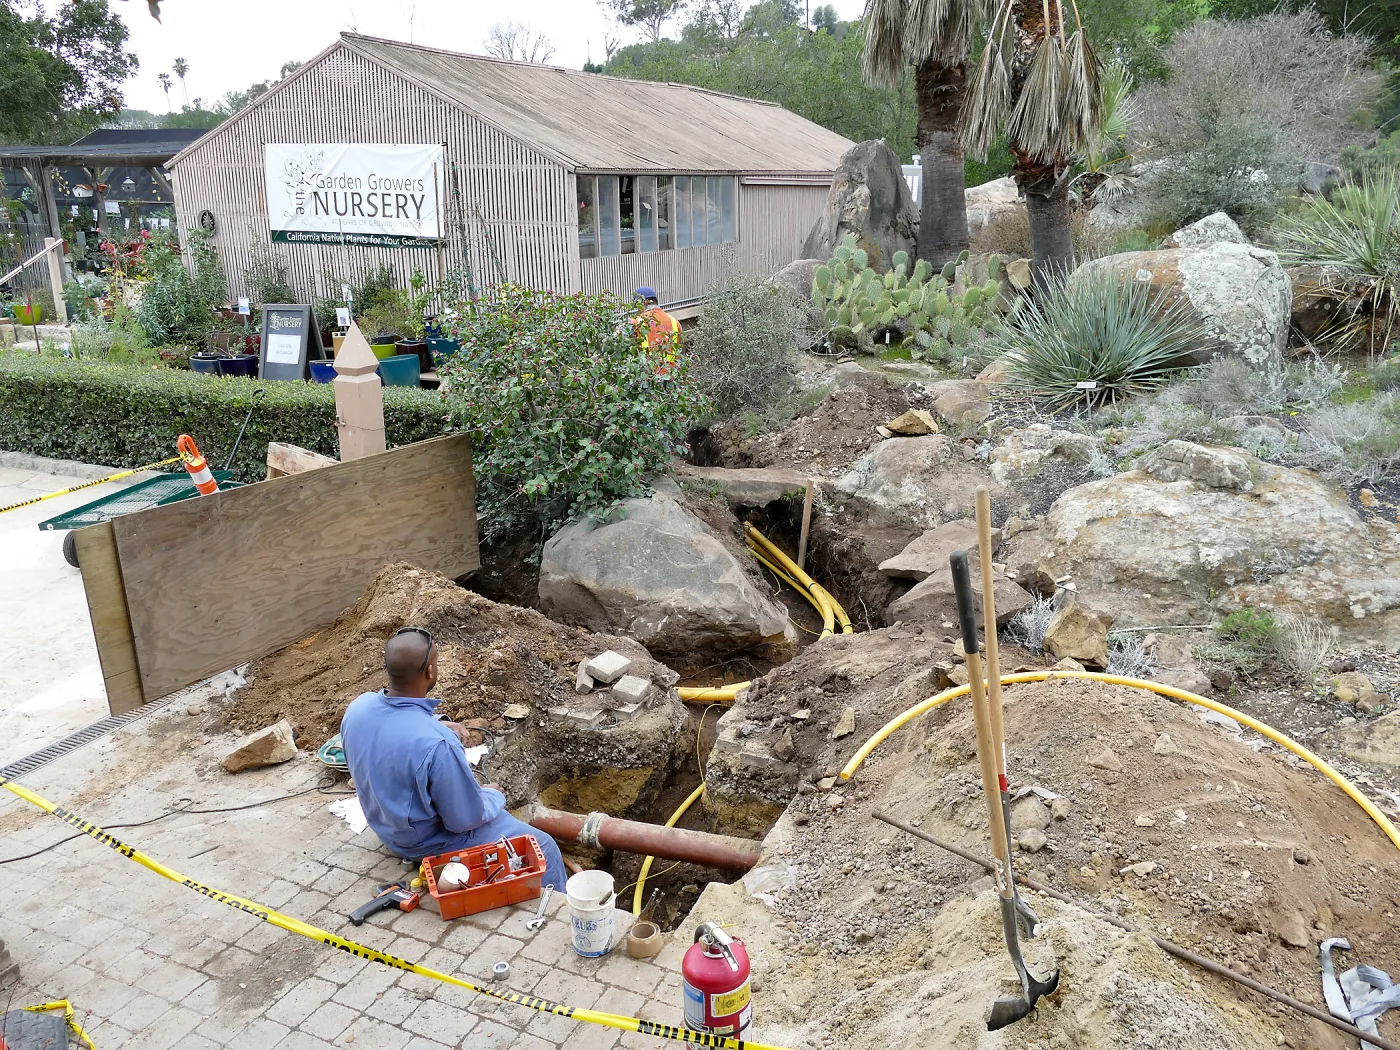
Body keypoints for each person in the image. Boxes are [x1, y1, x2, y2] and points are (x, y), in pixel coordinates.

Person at [340, 627, 567, 890]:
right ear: (430, 672)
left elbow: (392, 725)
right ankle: (554, 918)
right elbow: (463, 820)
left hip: (386, 829)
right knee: (544, 846)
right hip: (428, 843)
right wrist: (491, 796)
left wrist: (433, 723)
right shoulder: (437, 745)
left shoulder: (358, 708)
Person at [632, 286, 680, 377]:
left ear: (643, 303)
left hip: (648, 378)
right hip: (671, 378)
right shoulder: (674, 322)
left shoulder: (637, 323)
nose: (638, 310)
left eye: (637, 307)